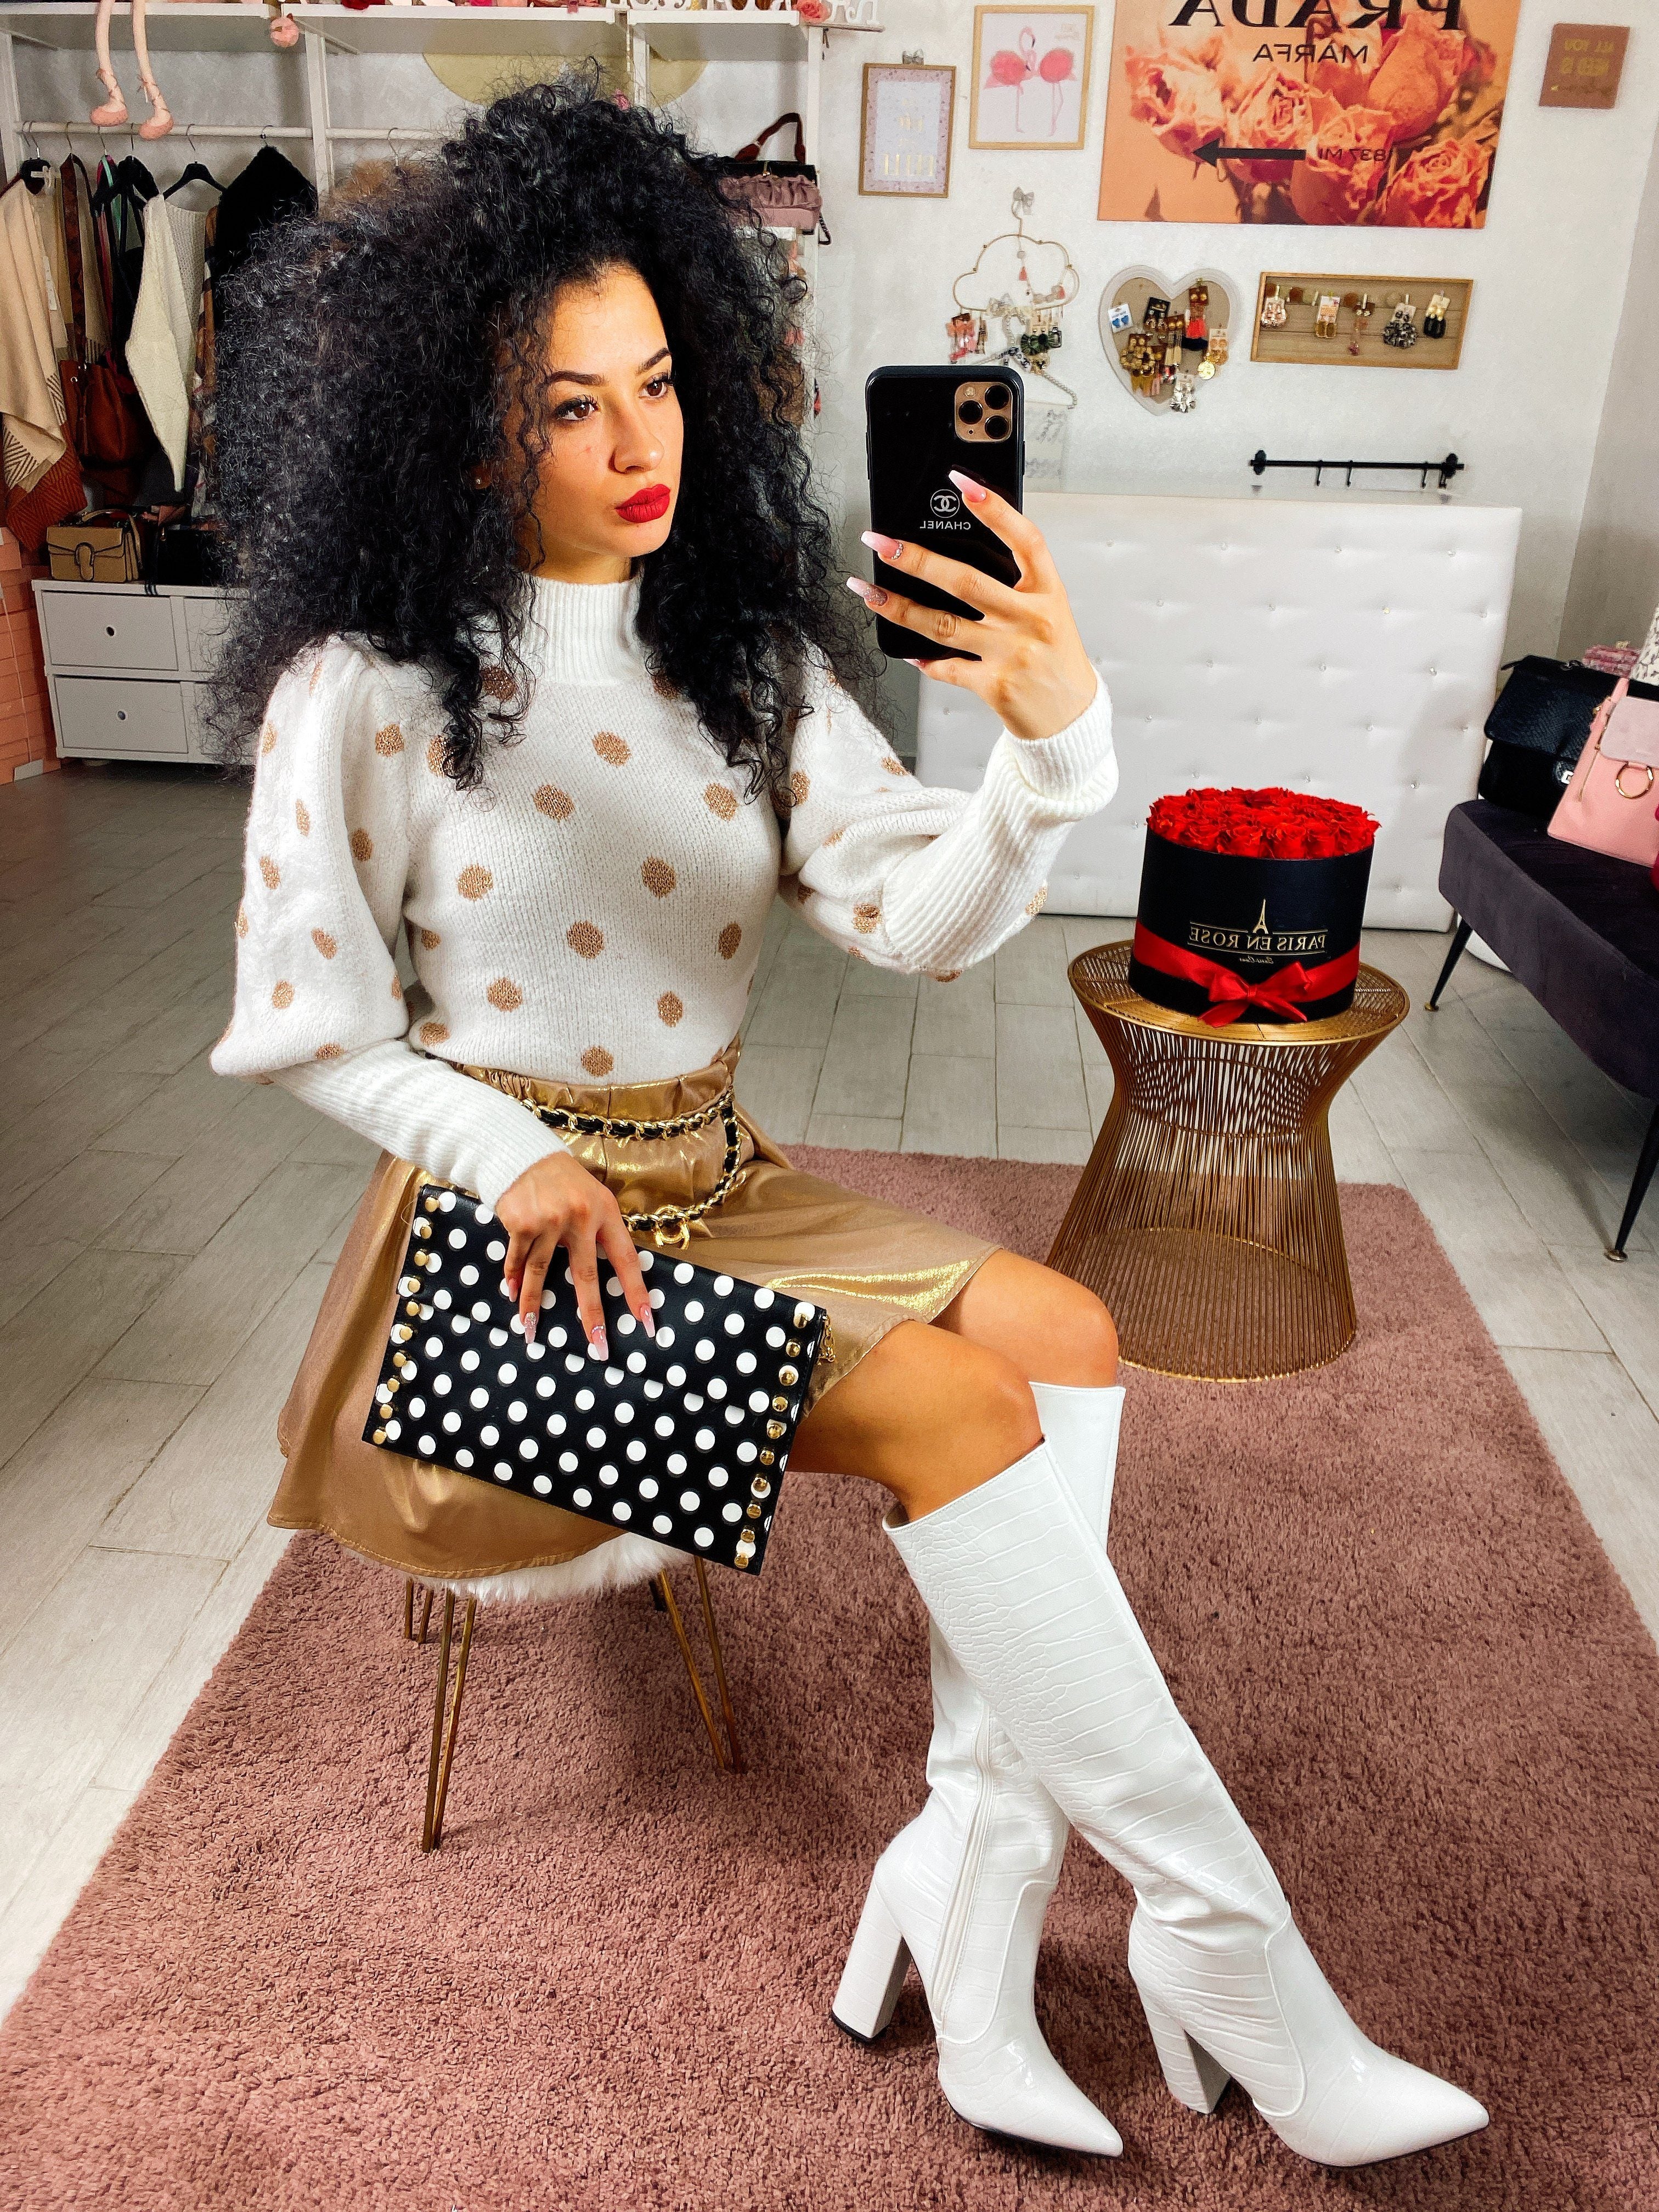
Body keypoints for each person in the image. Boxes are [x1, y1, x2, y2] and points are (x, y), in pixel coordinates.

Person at [207, 75, 1485, 2170]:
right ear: (462, 429)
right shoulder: (367, 686)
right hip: (506, 1262)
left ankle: (970, 1898)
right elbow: (306, 1027)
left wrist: (1050, 756)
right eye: (568, 407)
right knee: (961, 1412)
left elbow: (918, 922)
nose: (639, 444)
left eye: (659, 383)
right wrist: (508, 1149)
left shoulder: (737, 659)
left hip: (710, 1180)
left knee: (1067, 1333)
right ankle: (1231, 1947)